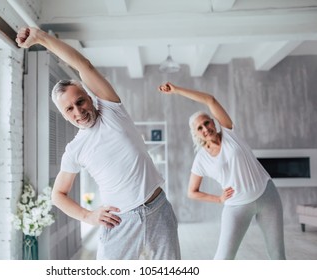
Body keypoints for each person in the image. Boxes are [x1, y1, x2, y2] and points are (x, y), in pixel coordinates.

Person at [16, 27, 181, 260]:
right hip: (119, 221)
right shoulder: (74, 150)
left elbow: (84, 66)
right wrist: (88, 216)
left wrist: (41, 38)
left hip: (158, 210)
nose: (78, 111)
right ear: (64, 116)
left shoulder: (112, 111)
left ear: (90, 98)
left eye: (80, 101)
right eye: (69, 109)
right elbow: (58, 195)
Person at [158, 82, 286, 260]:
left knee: (278, 255)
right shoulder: (201, 159)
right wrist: (218, 199)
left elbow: (210, 99)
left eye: (206, 123)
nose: (205, 129)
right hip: (237, 206)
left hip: (267, 195)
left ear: (213, 122)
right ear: (195, 134)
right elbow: (192, 192)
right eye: (200, 128)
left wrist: (177, 90)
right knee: (223, 258)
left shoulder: (229, 133)